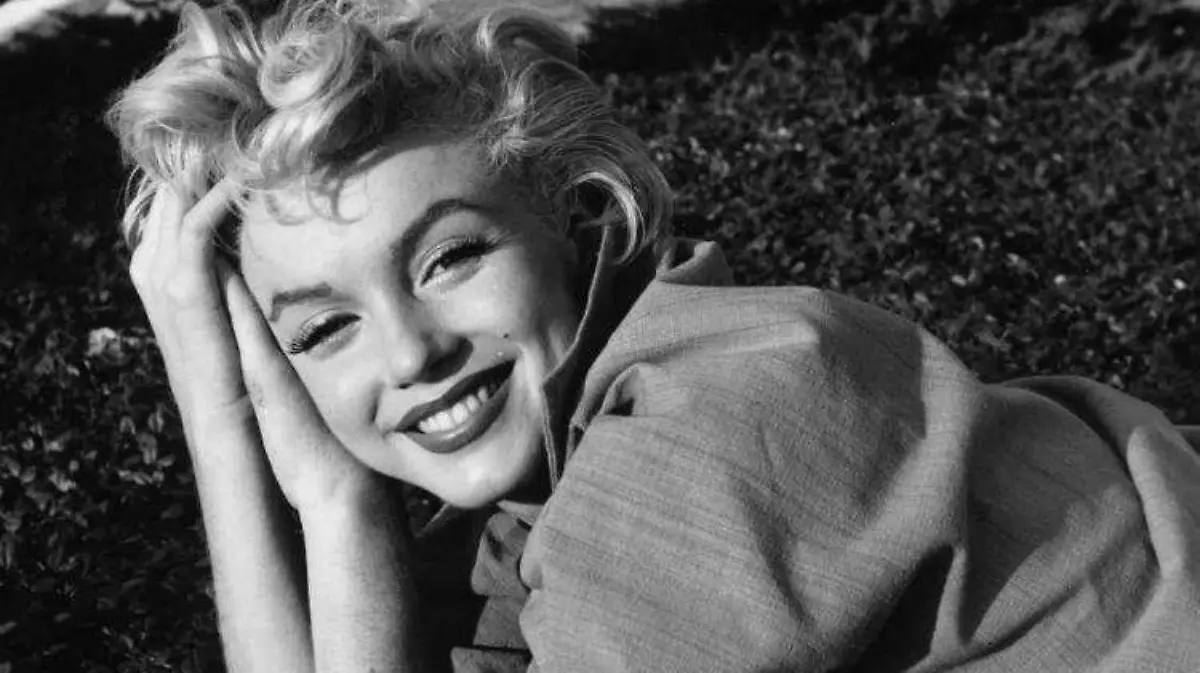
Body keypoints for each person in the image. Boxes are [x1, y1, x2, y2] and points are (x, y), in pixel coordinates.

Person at [108, 0, 1200, 671]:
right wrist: (237, 424)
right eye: (325, 329)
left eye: (450, 258)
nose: (407, 354)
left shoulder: (722, 414)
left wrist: (338, 510)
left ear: (578, 216)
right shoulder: (522, 524)